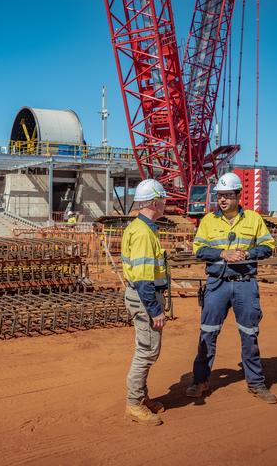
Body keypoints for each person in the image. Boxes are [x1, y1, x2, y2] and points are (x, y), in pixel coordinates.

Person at [187, 172, 277, 403]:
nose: (223, 200)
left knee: (249, 334)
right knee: (208, 332)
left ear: (238, 195)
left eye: (228, 195)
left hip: (245, 284)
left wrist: (248, 253)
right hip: (217, 285)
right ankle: (200, 381)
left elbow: (268, 246)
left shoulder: (254, 220)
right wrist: (222, 254)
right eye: (220, 196)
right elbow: (198, 250)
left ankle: (256, 383)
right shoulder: (208, 221)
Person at [121, 179, 168, 426]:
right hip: (144, 298)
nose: (165, 203)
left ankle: (142, 396)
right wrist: (155, 310)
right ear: (154, 202)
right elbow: (142, 278)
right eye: (163, 199)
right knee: (147, 351)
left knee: (147, 348)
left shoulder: (141, 228)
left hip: (141, 296)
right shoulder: (142, 233)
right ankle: (134, 403)